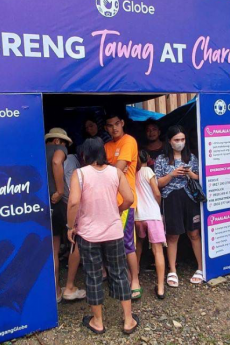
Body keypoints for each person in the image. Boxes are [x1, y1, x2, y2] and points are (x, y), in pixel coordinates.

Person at [66, 137, 139, 335]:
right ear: (103, 153)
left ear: (84, 154)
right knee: (120, 273)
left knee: (93, 276)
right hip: (114, 232)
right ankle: (128, 320)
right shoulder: (115, 172)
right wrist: (116, 210)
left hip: (88, 235)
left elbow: (73, 202)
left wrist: (69, 226)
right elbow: (130, 198)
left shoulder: (79, 174)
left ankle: (98, 322)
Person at [154, 125, 203, 286]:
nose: (180, 143)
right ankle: (172, 270)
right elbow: (157, 183)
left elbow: (199, 178)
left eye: (182, 139)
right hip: (170, 199)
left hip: (190, 198)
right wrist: (172, 174)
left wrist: (189, 173)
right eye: (176, 140)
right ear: (169, 141)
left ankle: (201, 267)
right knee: (173, 235)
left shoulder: (192, 158)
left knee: (194, 233)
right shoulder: (161, 159)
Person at [103, 111, 142, 299]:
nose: (114, 128)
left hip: (124, 202)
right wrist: (113, 169)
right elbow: (103, 170)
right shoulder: (106, 146)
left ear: (123, 122)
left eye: (117, 123)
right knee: (113, 244)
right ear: (106, 128)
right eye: (110, 125)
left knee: (127, 243)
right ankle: (124, 277)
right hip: (108, 201)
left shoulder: (129, 141)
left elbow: (113, 170)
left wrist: (111, 169)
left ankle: (135, 280)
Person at [44, 128, 85, 302]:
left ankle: (49, 289)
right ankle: (57, 292)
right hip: (56, 204)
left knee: (44, 249)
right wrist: (60, 191)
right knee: (55, 249)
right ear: (58, 141)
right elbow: (56, 162)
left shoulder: (38, 149)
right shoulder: (58, 149)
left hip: (39, 202)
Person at [134, 150, 166, 299]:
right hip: (152, 215)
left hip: (137, 216)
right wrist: (157, 207)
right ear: (147, 158)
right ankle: (160, 287)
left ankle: (135, 277)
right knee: (157, 250)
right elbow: (157, 193)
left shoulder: (131, 173)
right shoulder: (148, 171)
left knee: (137, 246)